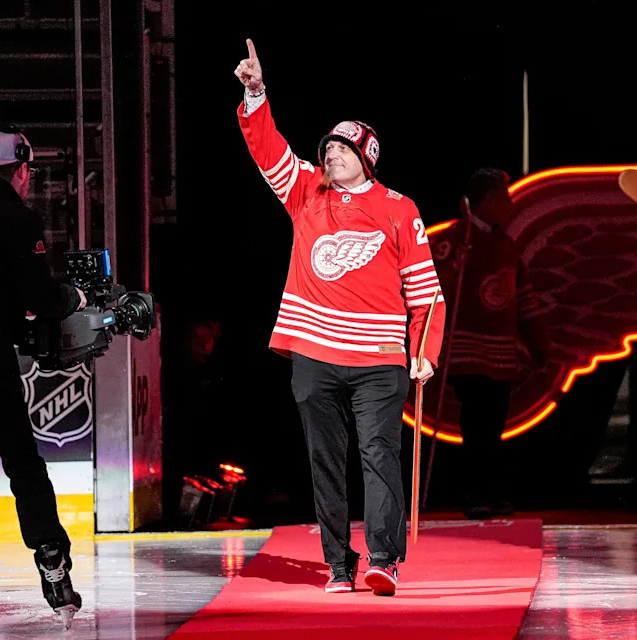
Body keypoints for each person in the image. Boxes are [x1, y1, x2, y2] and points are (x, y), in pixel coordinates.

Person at [234, 39, 445, 597]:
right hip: (314, 353)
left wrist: (425, 351)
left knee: (379, 454)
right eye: (327, 150)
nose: (330, 157)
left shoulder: (399, 209)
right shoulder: (305, 191)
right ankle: (337, 563)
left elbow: (426, 291)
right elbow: (267, 149)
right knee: (324, 460)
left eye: (343, 150)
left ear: (367, 157)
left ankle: (382, 558)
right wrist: (256, 92)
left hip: (377, 358)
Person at [0, 123, 87, 627]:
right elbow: (42, 300)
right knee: (24, 465)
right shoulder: (18, 218)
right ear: (22, 170)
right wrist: (73, 297)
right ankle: (53, 565)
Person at [429, 168, 549, 519]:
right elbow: (430, 293)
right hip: (467, 353)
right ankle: (474, 493)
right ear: (489, 201)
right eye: (506, 198)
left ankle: (492, 491)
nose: (511, 205)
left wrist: (541, 347)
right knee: (476, 424)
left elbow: (524, 302)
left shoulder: (505, 248)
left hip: (500, 354)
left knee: (493, 425)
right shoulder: (453, 241)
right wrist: (452, 271)